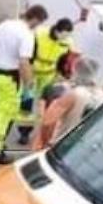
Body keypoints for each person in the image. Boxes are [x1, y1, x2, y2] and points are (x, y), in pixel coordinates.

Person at [0, 5, 49, 164]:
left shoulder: (5, 25)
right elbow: (24, 61)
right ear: (35, 19)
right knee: (4, 113)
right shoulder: (26, 35)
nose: (37, 26)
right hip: (9, 77)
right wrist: (29, 83)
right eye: (38, 23)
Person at [16, 17, 75, 146]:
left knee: (49, 106)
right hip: (33, 73)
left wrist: (65, 76)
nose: (63, 38)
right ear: (57, 30)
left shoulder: (68, 42)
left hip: (49, 76)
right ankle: (24, 132)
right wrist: (26, 73)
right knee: (27, 102)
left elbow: (66, 61)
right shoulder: (39, 34)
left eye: (67, 36)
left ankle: (46, 132)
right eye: (63, 34)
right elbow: (28, 53)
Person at [33, 56, 103, 150]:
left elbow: (48, 121)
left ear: (74, 70)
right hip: (82, 150)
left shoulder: (73, 94)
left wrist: (45, 143)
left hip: (61, 146)